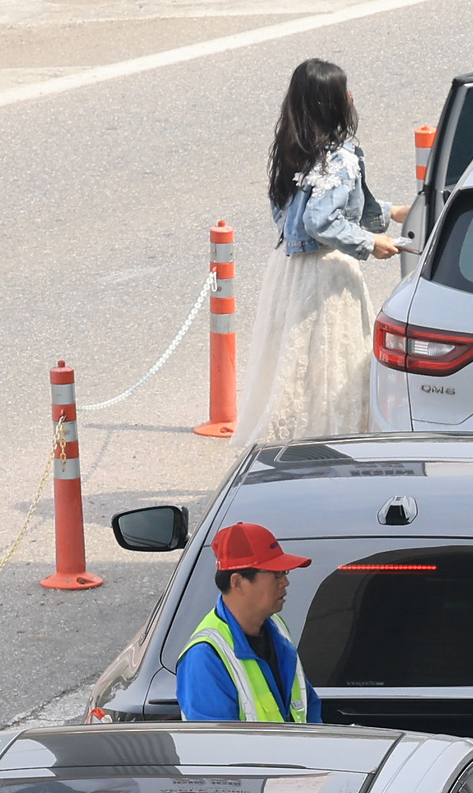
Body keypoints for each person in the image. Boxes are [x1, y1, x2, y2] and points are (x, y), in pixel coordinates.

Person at [234, 58, 409, 448]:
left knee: (296, 363)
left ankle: (290, 442)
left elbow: (310, 212)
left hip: (289, 270)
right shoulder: (340, 159)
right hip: (326, 273)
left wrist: (393, 212)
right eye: (344, 90)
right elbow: (321, 220)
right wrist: (370, 243)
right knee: (330, 366)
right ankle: (330, 443)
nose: (351, 95)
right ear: (330, 103)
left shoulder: (292, 151)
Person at [175, 523, 319, 723]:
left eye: (285, 573)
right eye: (276, 574)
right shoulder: (206, 656)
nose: (285, 582)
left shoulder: (277, 627)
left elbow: (309, 708)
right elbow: (214, 740)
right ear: (238, 583)